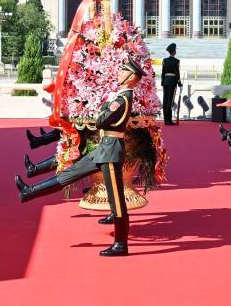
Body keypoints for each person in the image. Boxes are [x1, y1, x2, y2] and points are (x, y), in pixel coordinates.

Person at [15, 59, 145, 257]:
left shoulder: (122, 99)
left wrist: (105, 105)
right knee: (70, 172)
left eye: (123, 70)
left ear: (131, 77)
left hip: (110, 153)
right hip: (104, 149)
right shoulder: (120, 97)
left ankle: (121, 244)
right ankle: (29, 192)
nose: (119, 73)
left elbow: (100, 121)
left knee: (116, 200)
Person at [161, 43, 181, 125]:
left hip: (165, 81)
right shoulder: (176, 61)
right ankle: (169, 120)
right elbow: (177, 73)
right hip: (172, 82)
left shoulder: (164, 60)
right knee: (170, 100)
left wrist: (162, 82)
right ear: (174, 52)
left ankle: (166, 120)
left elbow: (163, 73)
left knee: (165, 100)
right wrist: (179, 83)